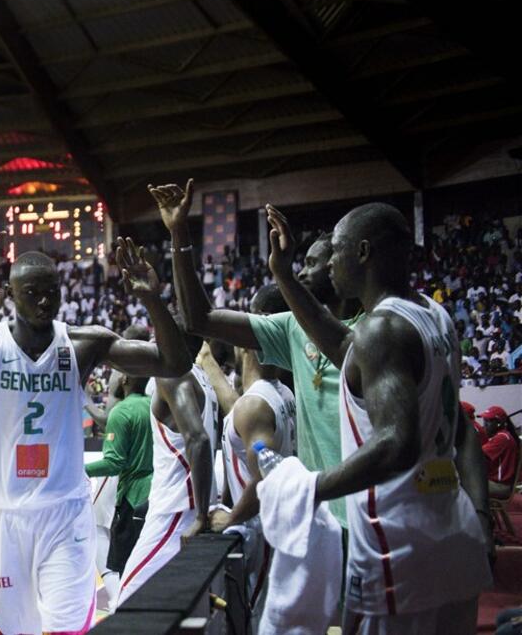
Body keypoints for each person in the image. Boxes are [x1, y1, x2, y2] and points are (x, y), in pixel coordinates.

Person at [0, 195, 193, 635]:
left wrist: (153, 300)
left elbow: (174, 363)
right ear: (12, 295)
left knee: (66, 629)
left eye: (51, 292)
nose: (43, 301)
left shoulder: (84, 342)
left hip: (65, 515)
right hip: (5, 517)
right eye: (32, 293)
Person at [263, 202, 491, 633]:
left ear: (363, 252)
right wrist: (284, 276)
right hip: (452, 537)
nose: (330, 260)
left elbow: (396, 444)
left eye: (338, 250)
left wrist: (306, 489)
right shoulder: (432, 316)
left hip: (400, 555)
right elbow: (345, 346)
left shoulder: (382, 331)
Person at [149, 180, 361, 535]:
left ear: (343, 264)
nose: (302, 272)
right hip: (320, 519)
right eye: (300, 264)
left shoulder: (376, 330)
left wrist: (232, 516)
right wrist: (179, 235)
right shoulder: (292, 329)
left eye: (312, 263)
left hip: (367, 510)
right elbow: (200, 318)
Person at [115, 318, 217, 606]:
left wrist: (199, 517)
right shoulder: (202, 376)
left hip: (175, 511)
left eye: (157, 333)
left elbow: (199, 440)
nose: (152, 341)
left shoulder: (174, 376)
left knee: (126, 602)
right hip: (188, 505)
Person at [210, 285, 296, 620]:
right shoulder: (281, 392)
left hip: (260, 531)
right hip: (277, 528)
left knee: (259, 623)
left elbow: (264, 475)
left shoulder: (255, 404)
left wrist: (231, 517)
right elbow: (240, 416)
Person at [83, 325, 154, 609]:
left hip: (128, 481)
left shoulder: (122, 407)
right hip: (156, 482)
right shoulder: (156, 394)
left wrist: (84, 400)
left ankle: (118, 600)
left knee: (102, 532)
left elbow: (114, 455)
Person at [479, 406, 520, 498]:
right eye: (484, 421)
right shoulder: (504, 436)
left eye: (488, 421)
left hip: (500, 487)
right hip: (500, 484)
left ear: (499, 423)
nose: (484, 425)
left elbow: (476, 455)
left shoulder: (501, 438)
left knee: (462, 483)